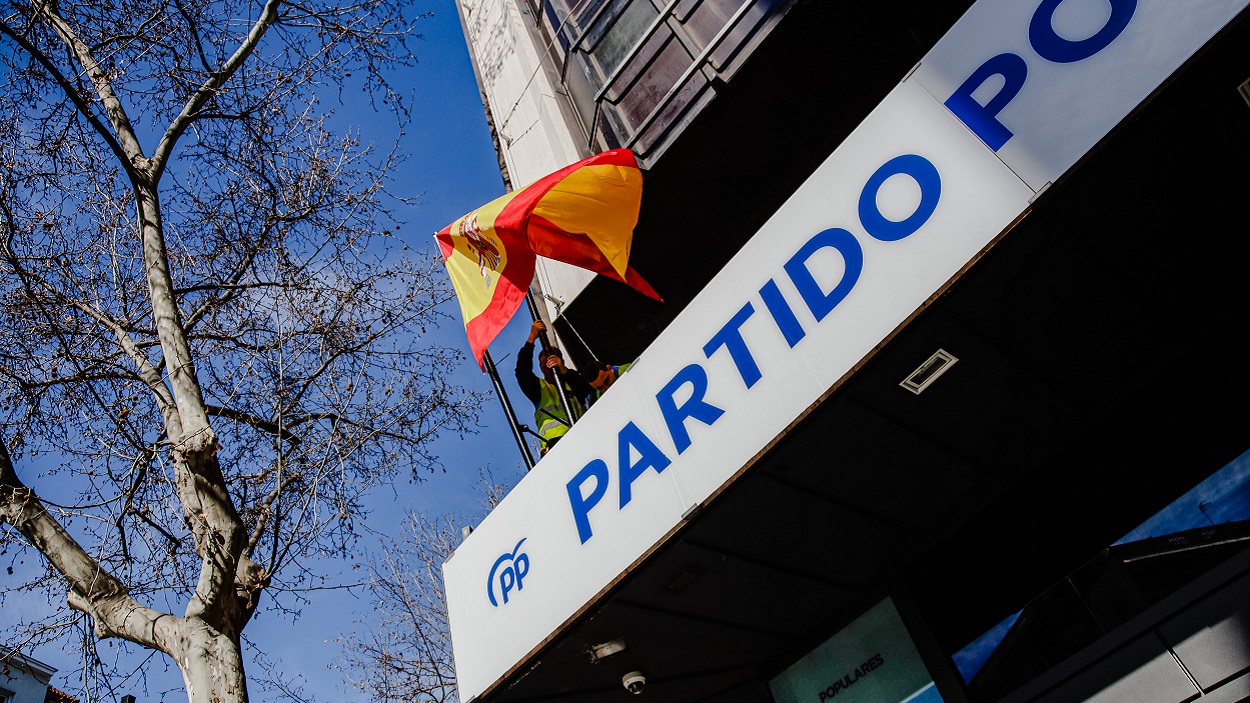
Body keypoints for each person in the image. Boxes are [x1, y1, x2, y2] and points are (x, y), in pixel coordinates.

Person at [515, 320, 594, 454]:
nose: (549, 365)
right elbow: (522, 372)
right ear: (540, 368)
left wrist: (565, 372)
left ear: (561, 362)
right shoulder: (539, 388)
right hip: (555, 446)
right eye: (545, 363)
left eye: (552, 360)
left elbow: (588, 389)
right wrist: (531, 338)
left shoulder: (572, 382)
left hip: (583, 436)